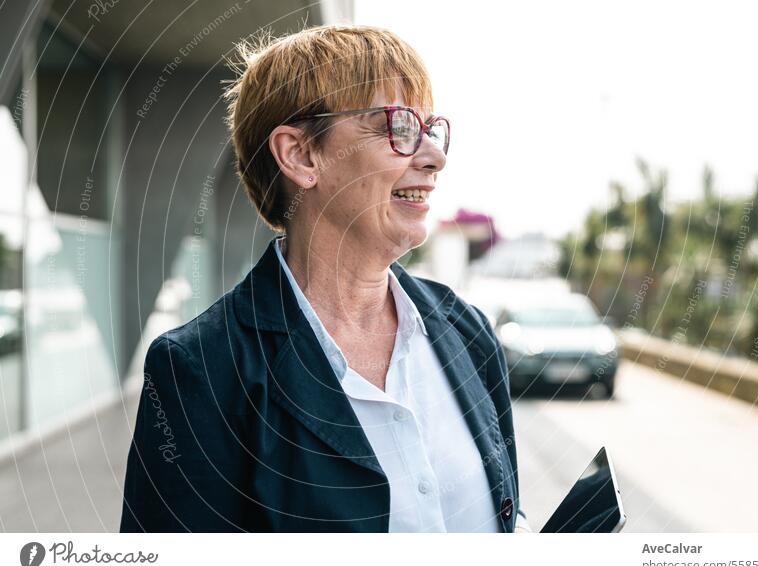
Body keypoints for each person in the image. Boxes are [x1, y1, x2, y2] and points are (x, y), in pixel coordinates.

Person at [120, 24, 531, 533]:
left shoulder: (467, 330)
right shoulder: (201, 370)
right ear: (301, 154)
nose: (435, 157)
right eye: (398, 127)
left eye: (431, 130)